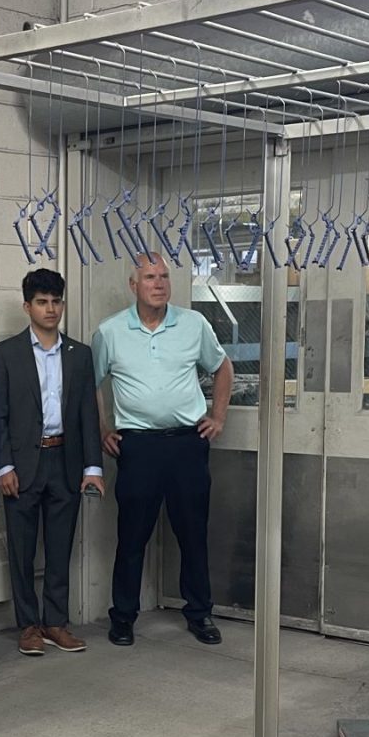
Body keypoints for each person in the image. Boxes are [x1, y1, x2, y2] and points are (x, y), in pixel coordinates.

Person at [92, 251, 234, 647]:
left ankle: (200, 613)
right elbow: (89, 383)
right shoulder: (110, 332)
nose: (159, 284)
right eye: (150, 277)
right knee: (132, 536)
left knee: (193, 534)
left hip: (188, 445)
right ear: (133, 285)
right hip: (137, 448)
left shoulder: (193, 325)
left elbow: (222, 367)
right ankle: (122, 617)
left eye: (164, 277)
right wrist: (102, 428)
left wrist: (217, 416)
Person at [0, 269, 105, 656]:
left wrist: (93, 467)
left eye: (56, 301)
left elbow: (88, 415)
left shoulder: (79, 355)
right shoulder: (5, 355)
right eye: (42, 302)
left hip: (65, 461)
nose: (51, 309)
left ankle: (55, 622)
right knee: (21, 550)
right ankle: (28, 625)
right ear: (28, 307)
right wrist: (3, 466)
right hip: (24, 464)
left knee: (60, 548)